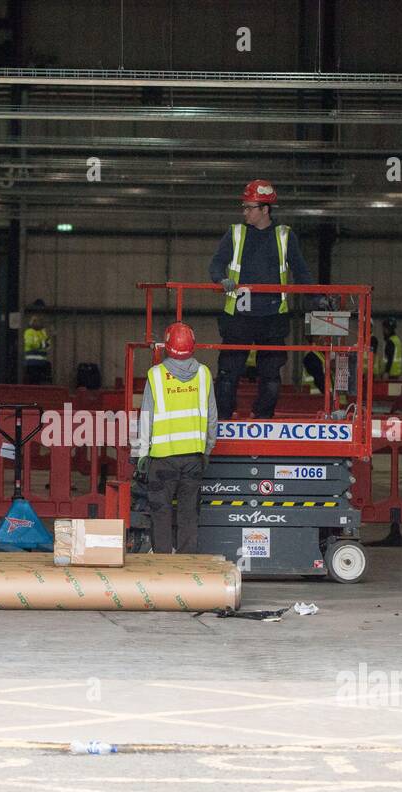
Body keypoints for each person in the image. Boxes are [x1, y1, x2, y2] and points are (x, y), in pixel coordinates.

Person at [208, 179, 314, 419]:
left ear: (265, 209)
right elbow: (216, 264)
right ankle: (223, 420)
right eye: (244, 207)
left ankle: (263, 418)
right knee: (227, 373)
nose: (244, 211)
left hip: (272, 317)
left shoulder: (285, 236)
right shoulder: (235, 233)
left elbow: (302, 271)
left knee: (271, 375)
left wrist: (316, 298)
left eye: (250, 207)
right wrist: (220, 279)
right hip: (238, 317)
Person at [134, 323, 218, 554]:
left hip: (161, 459)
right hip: (193, 457)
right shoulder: (203, 374)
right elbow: (212, 418)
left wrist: (141, 454)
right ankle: (187, 566)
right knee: (188, 512)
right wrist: (208, 449)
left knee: (160, 512)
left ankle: (163, 565)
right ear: (193, 346)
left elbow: (146, 419)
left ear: (167, 346)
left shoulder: (156, 375)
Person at [22, 314, 52, 384]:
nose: (39, 323)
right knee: (33, 382)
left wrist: (41, 344)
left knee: (39, 382)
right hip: (32, 363)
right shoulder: (29, 332)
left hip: (42, 363)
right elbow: (31, 344)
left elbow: (48, 345)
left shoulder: (43, 333)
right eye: (36, 321)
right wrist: (42, 344)